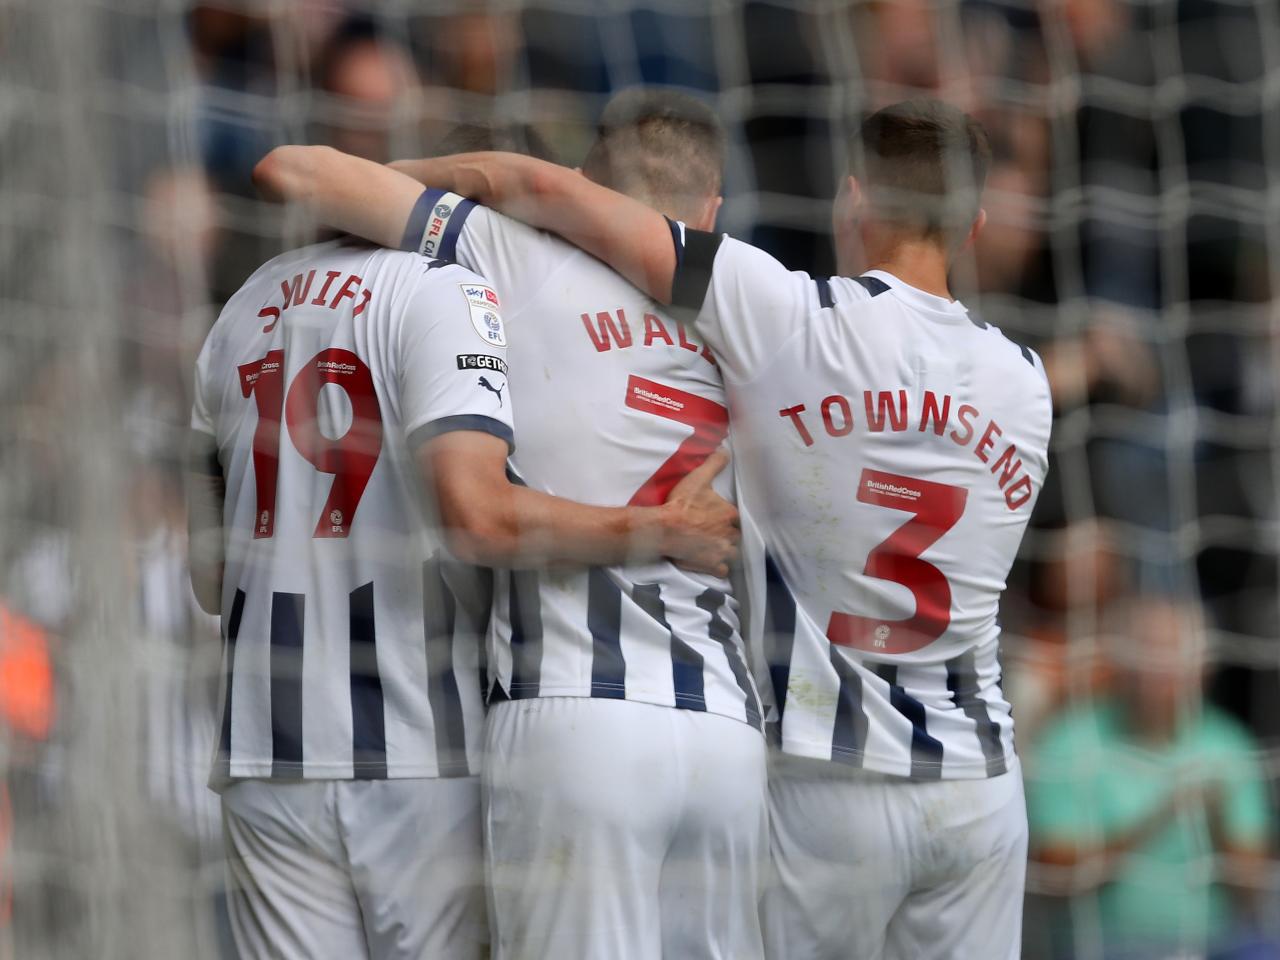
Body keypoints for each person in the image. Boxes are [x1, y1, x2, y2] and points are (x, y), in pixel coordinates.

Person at [319, 97, 1054, 959]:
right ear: (972, 225)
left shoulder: (784, 313)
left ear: (851, 200)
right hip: (980, 788)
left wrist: (411, 188)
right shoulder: (1027, 381)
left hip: (823, 773)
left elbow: (536, 188)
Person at [253, 90, 768, 960]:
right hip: (727, 729)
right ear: (711, 212)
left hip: (576, 716)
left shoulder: (511, 256)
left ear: (583, 183)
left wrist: (490, 187)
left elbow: (291, 172)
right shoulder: (760, 306)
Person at [1026, 596, 1272, 959]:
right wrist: (1163, 813)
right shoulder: (1070, 742)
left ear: (1204, 669)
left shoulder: (1228, 742)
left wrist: (1218, 821)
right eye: (1149, 654)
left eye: (1175, 655)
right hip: (1106, 946)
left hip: (1217, 944)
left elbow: (1253, 892)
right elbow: (1058, 878)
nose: (1160, 673)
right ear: (1120, 663)